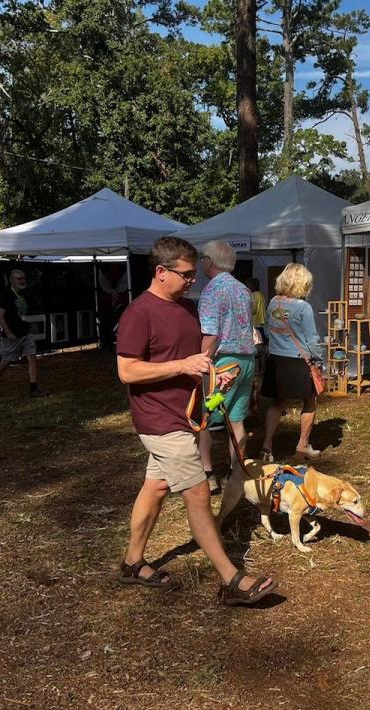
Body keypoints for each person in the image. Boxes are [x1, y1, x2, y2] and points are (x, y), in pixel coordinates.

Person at [115, 236, 277, 606]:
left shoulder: (187, 309)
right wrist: (182, 366)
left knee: (155, 488)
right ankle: (231, 579)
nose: (193, 280)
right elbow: (127, 370)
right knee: (199, 492)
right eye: (186, 274)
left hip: (186, 412)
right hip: (158, 419)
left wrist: (208, 377)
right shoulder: (138, 314)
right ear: (160, 272)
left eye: (193, 274)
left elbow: (193, 359)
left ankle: (132, 562)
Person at [196, 240, 256, 491]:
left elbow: (211, 334)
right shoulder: (244, 289)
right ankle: (238, 471)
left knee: (203, 420)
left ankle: (208, 476)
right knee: (237, 419)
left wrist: (201, 360)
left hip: (222, 364)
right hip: (247, 361)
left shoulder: (211, 292)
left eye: (202, 258)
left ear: (209, 262)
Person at [260, 263, 324, 462]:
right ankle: (302, 444)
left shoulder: (272, 303)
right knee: (310, 401)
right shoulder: (303, 307)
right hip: (299, 360)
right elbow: (312, 338)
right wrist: (319, 361)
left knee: (277, 402)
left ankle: (266, 445)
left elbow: (269, 330)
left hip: (276, 359)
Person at [0, 269, 47, 398]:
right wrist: (8, 333)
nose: (22, 281)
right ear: (12, 281)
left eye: (23, 278)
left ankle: (33, 387)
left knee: (32, 357)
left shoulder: (25, 294)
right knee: (7, 361)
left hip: (26, 333)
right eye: (19, 279)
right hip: (12, 335)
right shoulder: (6, 295)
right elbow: (1, 316)